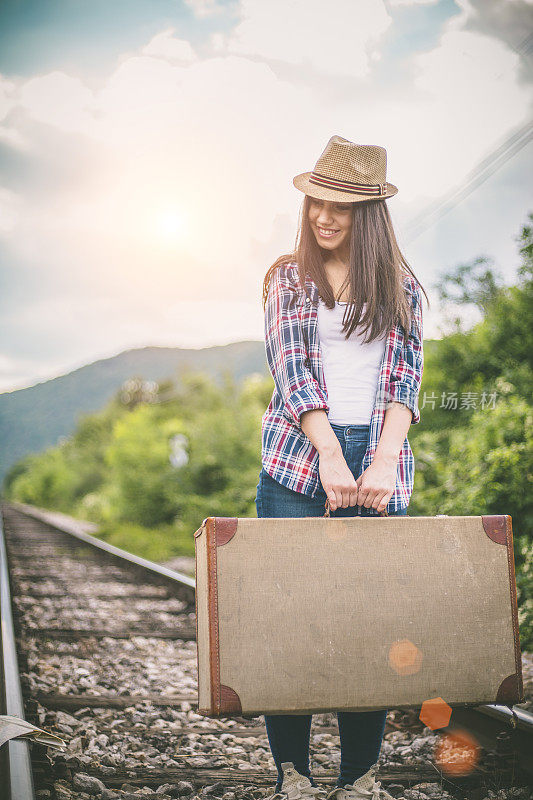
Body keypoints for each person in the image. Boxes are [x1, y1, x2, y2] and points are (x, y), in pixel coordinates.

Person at [254, 135, 428, 800]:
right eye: (315, 202)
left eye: (340, 207)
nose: (322, 216)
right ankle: (291, 773)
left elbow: (404, 379)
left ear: (370, 214)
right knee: (294, 621)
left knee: (370, 625)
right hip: (299, 462)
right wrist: (329, 453)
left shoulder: (401, 285)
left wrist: (383, 458)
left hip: (380, 460)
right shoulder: (287, 277)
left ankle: (360, 777)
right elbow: (291, 370)